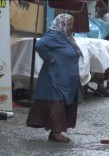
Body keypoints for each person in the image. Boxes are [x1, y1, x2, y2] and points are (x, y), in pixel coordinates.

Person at [26, 14, 84, 143]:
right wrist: (50, 59)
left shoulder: (65, 38)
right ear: (61, 24)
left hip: (65, 78)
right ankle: (56, 133)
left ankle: (55, 132)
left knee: (62, 103)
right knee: (56, 103)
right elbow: (40, 45)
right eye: (69, 24)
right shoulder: (54, 35)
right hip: (55, 77)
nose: (71, 27)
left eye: (71, 24)